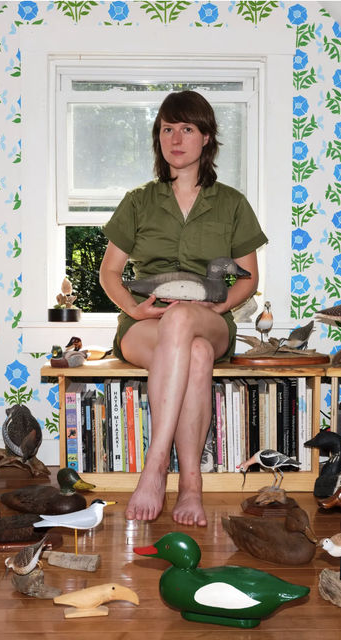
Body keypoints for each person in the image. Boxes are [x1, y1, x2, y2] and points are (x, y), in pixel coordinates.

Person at [99, 90, 267, 526]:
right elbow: (109, 273)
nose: (175, 139)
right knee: (195, 353)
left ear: (206, 137)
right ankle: (191, 484)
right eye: (167, 129)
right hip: (145, 324)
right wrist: (135, 310)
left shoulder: (232, 203)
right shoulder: (138, 201)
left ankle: (155, 466)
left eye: (187, 129)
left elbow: (248, 278)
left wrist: (218, 304)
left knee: (192, 330)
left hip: (210, 320)